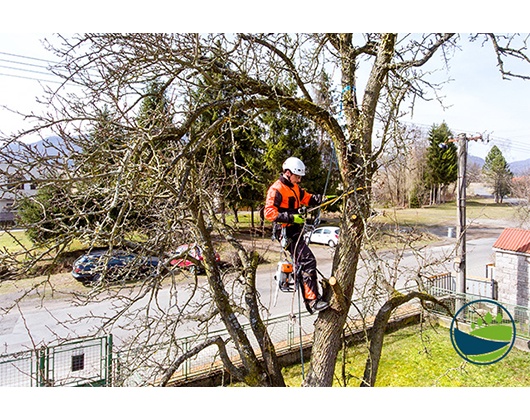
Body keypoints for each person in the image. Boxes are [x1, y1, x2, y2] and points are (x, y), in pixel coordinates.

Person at [264, 157, 330, 313]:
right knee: (307, 261)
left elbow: (306, 198)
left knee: (304, 263)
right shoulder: (276, 189)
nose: (299, 180)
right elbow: (269, 213)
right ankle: (312, 301)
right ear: (288, 173)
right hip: (286, 232)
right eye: (297, 176)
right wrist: (291, 217)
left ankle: (312, 298)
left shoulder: (294, 188)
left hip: (296, 231)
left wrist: (320, 199)